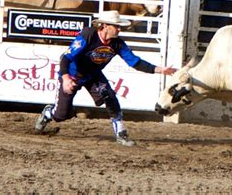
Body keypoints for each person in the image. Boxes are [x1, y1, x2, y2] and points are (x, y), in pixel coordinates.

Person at [35, 10, 177, 146]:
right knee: (61, 115)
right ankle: (48, 112)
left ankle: (121, 134)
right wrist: (66, 78)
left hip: (93, 75)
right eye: (116, 26)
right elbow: (66, 57)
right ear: (105, 26)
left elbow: (135, 62)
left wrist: (161, 70)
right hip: (73, 75)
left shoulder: (117, 44)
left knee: (109, 96)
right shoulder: (88, 35)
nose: (119, 29)